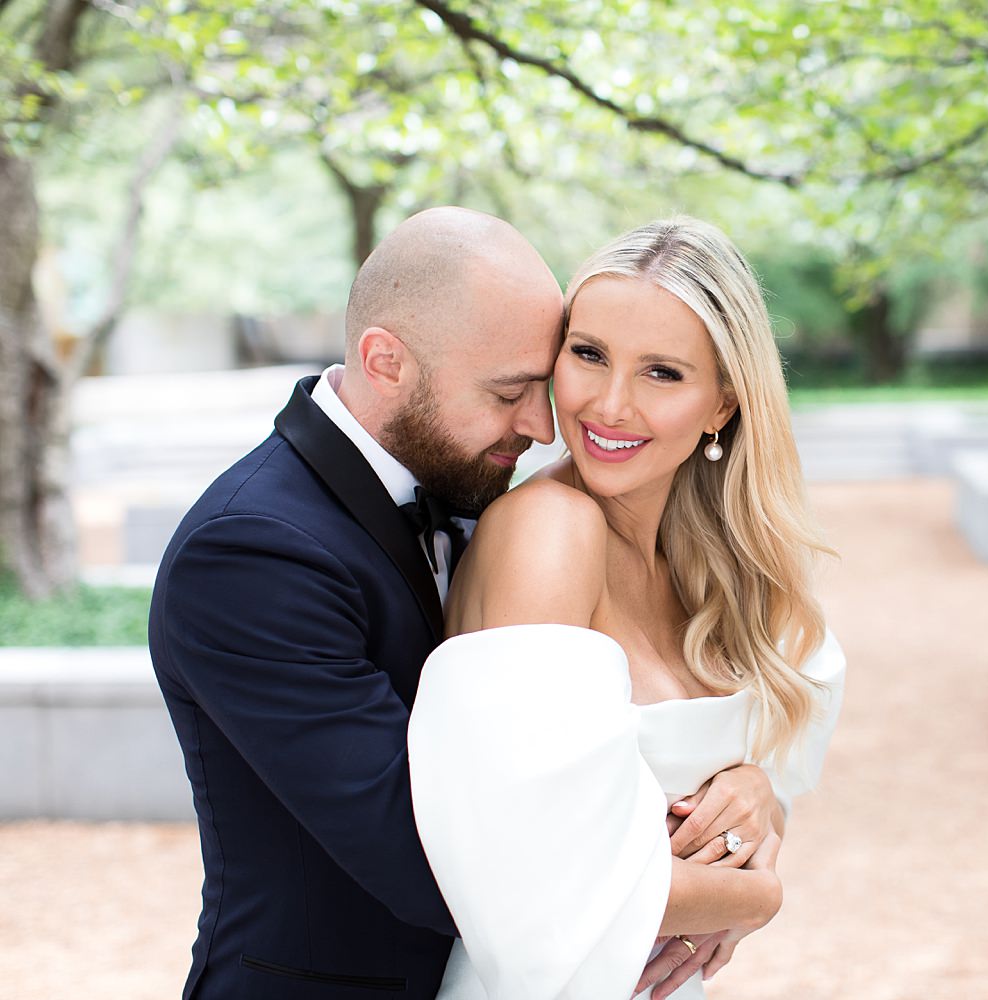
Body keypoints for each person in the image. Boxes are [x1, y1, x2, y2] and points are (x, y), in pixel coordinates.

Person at [148, 207, 782, 999]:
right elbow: (449, 862)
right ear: (387, 362)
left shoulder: (470, 481)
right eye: (513, 391)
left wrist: (756, 799)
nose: (548, 422)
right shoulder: (249, 554)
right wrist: (753, 892)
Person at [407, 216, 845, 1000]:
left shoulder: (710, 562)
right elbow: (530, 873)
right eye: (589, 355)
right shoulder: (549, 531)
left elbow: (778, 746)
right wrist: (758, 893)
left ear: (723, 406)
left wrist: (758, 797)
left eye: (663, 373)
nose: (609, 405)